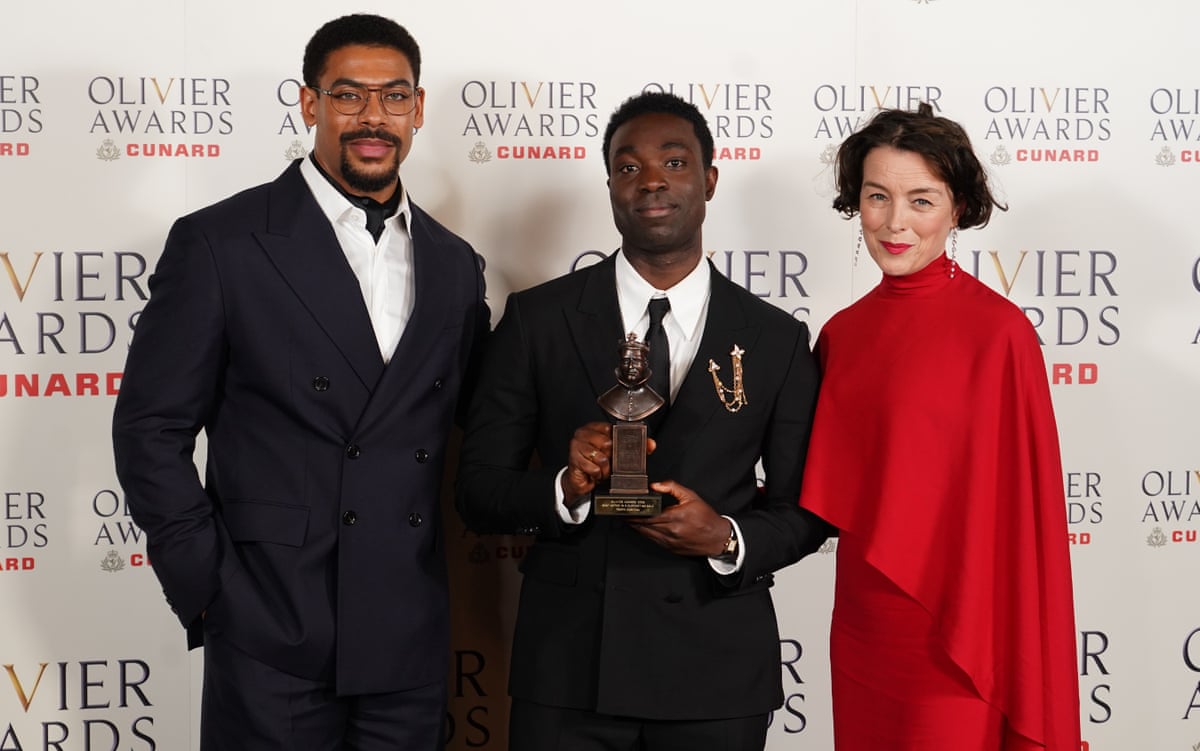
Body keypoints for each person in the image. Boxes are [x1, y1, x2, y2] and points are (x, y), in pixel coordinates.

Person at [111, 14, 488, 750]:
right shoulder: (221, 242)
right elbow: (149, 430)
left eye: (394, 96)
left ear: (418, 108)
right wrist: (214, 590)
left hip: (406, 636)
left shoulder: (455, 263)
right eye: (349, 95)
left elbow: (476, 424)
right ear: (310, 103)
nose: (373, 116)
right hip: (270, 626)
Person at [456, 91, 829, 751]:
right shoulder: (537, 320)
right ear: (610, 187)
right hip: (569, 670)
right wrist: (567, 486)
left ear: (710, 179)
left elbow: (808, 510)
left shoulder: (775, 339)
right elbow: (479, 490)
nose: (651, 179)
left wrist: (726, 536)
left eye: (675, 162)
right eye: (628, 167)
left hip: (715, 671)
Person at [798, 103, 1081, 750]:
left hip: (963, 633)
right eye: (878, 197)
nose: (895, 223)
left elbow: (1023, 518)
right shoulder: (842, 334)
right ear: (856, 203)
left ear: (957, 208)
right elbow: (817, 484)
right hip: (867, 627)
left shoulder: (1000, 333)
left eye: (920, 200)